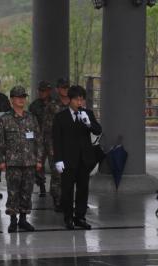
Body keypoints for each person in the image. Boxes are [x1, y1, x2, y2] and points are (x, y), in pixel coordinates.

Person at [52, 85, 102, 230]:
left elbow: (98, 130)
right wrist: (58, 159)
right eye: (77, 99)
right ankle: (68, 217)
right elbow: (57, 140)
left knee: (83, 189)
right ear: (70, 99)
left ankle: (80, 217)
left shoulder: (87, 114)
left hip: (84, 159)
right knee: (67, 190)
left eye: (82, 99)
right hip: (67, 160)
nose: (80, 103)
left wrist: (88, 123)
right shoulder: (60, 117)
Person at [0, 86, 43, 233]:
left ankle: (23, 219)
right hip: (12, 163)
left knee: (27, 191)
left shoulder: (31, 118)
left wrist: (39, 159)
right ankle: (13, 220)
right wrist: (1, 160)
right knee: (13, 192)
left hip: (29, 162)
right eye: (18, 97)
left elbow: (39, 140)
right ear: (12, 100)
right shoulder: (5, 119)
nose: (21, 99)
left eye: (23, 97)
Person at [41, 78, 70, 212]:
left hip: (70, 146)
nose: (65, 89)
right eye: (63, 87)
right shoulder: (52, 106)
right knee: (57, 174)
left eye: (67, 87)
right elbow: (47, 130)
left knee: (69, 174)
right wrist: (50, 148)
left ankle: (67, 199)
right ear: (58, 89)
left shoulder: (73, 104)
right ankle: (57, 200)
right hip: (56, 146)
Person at [28, 81, 53, 197]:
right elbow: (30, 123)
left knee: (56, 164)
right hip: (38, 140)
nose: (42, 93)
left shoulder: (55, 104)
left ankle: (55, 188)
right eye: (40, 90)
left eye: (44, 90)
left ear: (49, 91)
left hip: (52, 139)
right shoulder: (34, 106)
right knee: (38, 164)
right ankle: (42, 187)